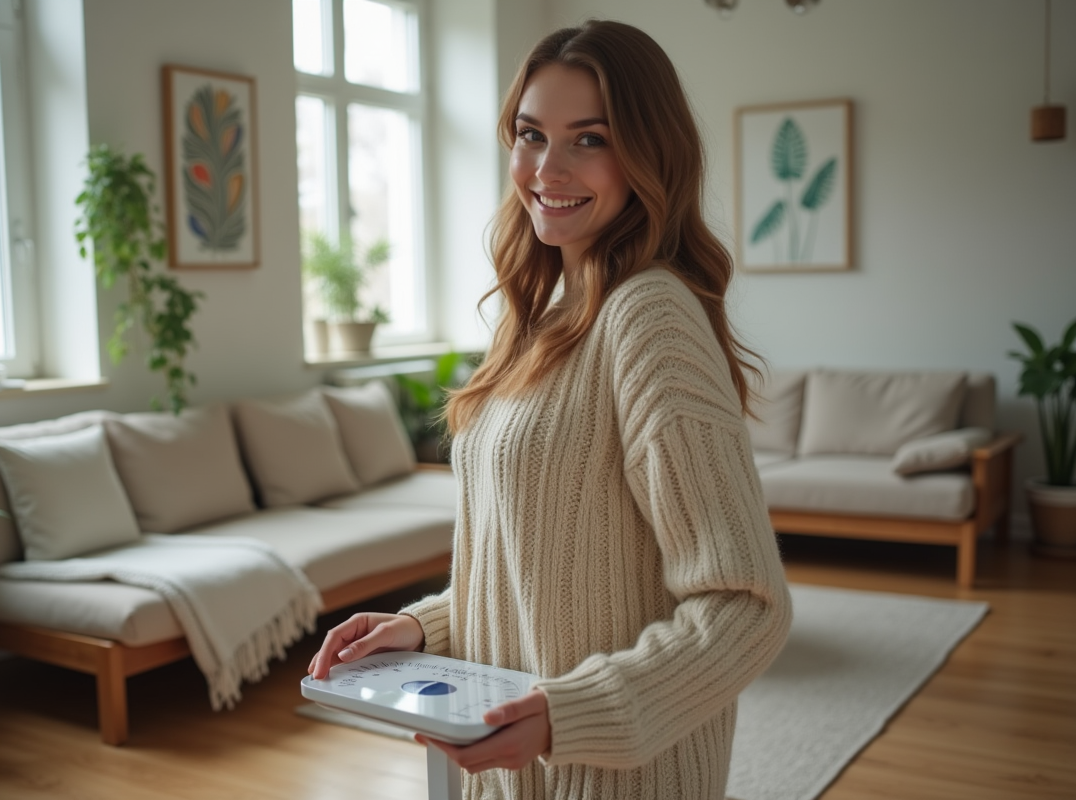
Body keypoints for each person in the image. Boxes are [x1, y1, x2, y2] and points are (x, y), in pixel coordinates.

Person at [309, 19, 792, 800]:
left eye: (589, 139)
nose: (546, 168)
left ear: (648, 153)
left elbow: (745, 608)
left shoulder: (649, 319)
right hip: (512, 764)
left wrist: (570, 714)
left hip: (612, 779)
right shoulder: (538, 317)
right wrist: (422, 628)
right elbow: (532, 569)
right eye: (530, 134)